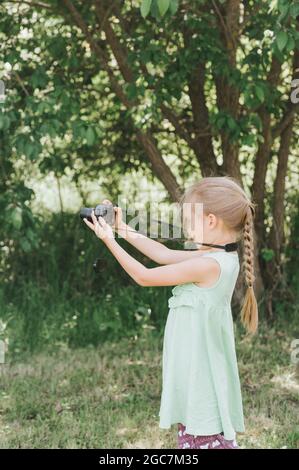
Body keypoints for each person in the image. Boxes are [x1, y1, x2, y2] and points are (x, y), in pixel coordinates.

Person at [83, 176, 258, 449]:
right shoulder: (217, 256)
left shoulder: (210, 264)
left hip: (202, 375)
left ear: (210, 221)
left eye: (190, 220)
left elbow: (144, 276)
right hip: (196, 369)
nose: (187, 228)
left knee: (203, 436)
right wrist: (121, 227)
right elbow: (163, 254)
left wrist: (109, 240)